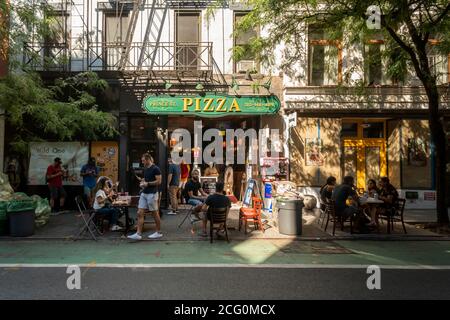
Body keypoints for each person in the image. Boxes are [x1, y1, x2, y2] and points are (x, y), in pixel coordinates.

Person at [128, 153, 163, 240]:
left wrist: (147, 184)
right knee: (140, 213)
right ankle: (138, 234)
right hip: (144, 193)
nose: (142, 162)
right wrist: (143, 182)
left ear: (148, 160)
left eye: (143, 160)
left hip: (152, 194)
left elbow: (159, 181)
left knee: (154, 213)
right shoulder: (145, 169)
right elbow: (146, 179)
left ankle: (158, 232)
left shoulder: (156, 169)